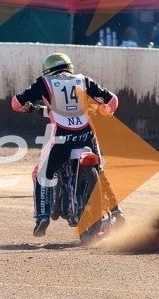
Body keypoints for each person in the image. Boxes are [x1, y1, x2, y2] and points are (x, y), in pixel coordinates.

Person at [11, 53, 124, 238]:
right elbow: (113, 101)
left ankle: (43, 217)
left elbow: (16, 103)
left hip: (62, 139)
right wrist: (105, 113)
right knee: (101, 172)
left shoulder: (45, 82)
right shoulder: (83, 80)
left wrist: (26, 107)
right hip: (87, 136)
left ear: (47, 70)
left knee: (43, 174)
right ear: (69, 67)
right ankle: (118, 213)